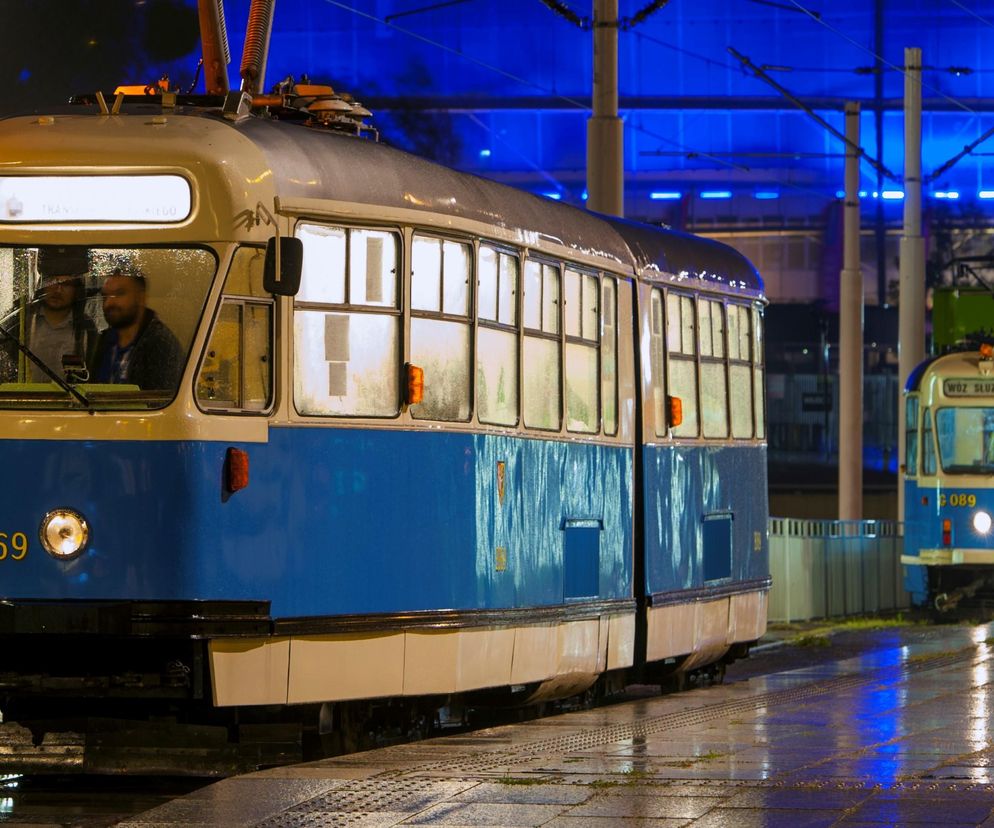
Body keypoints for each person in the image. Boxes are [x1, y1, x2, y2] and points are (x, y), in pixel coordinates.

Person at [88, 269, 182, 390]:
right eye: (105, 296)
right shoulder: (104, 340)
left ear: (141, 297)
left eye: (119, 293)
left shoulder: (160, 344)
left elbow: (161, 402)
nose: (109, 303)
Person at [27, 246, 96, 382]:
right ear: (42, 283)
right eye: (52, 281)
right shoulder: (22, 322)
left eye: (66, 284)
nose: (58, 290)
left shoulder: (88, 329)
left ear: (77, 290)